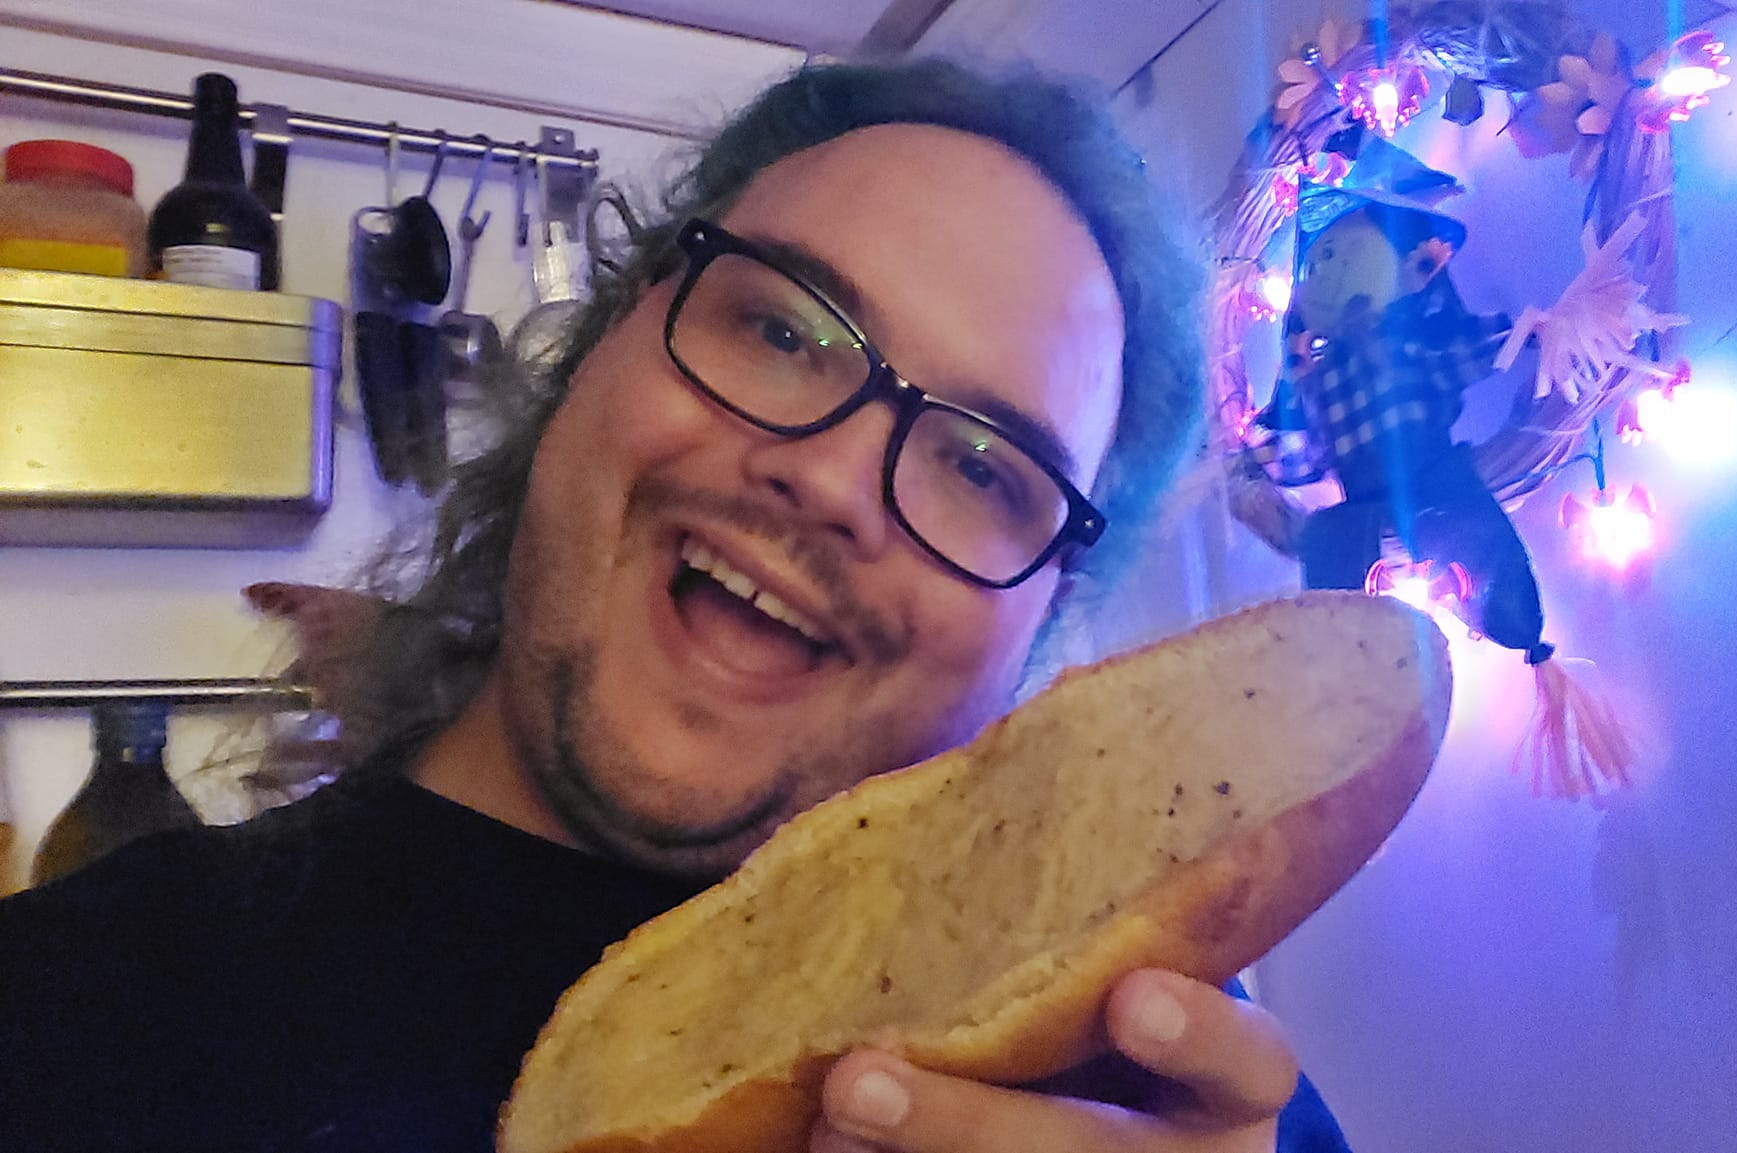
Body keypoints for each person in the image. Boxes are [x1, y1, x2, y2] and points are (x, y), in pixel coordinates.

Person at [0, 60, 1351, 1153]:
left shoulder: (1153, 1079)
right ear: (597, 350)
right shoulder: (68, 1013)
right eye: (779, 328)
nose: (831, 479)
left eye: (982, 467)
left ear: (1041, 629)